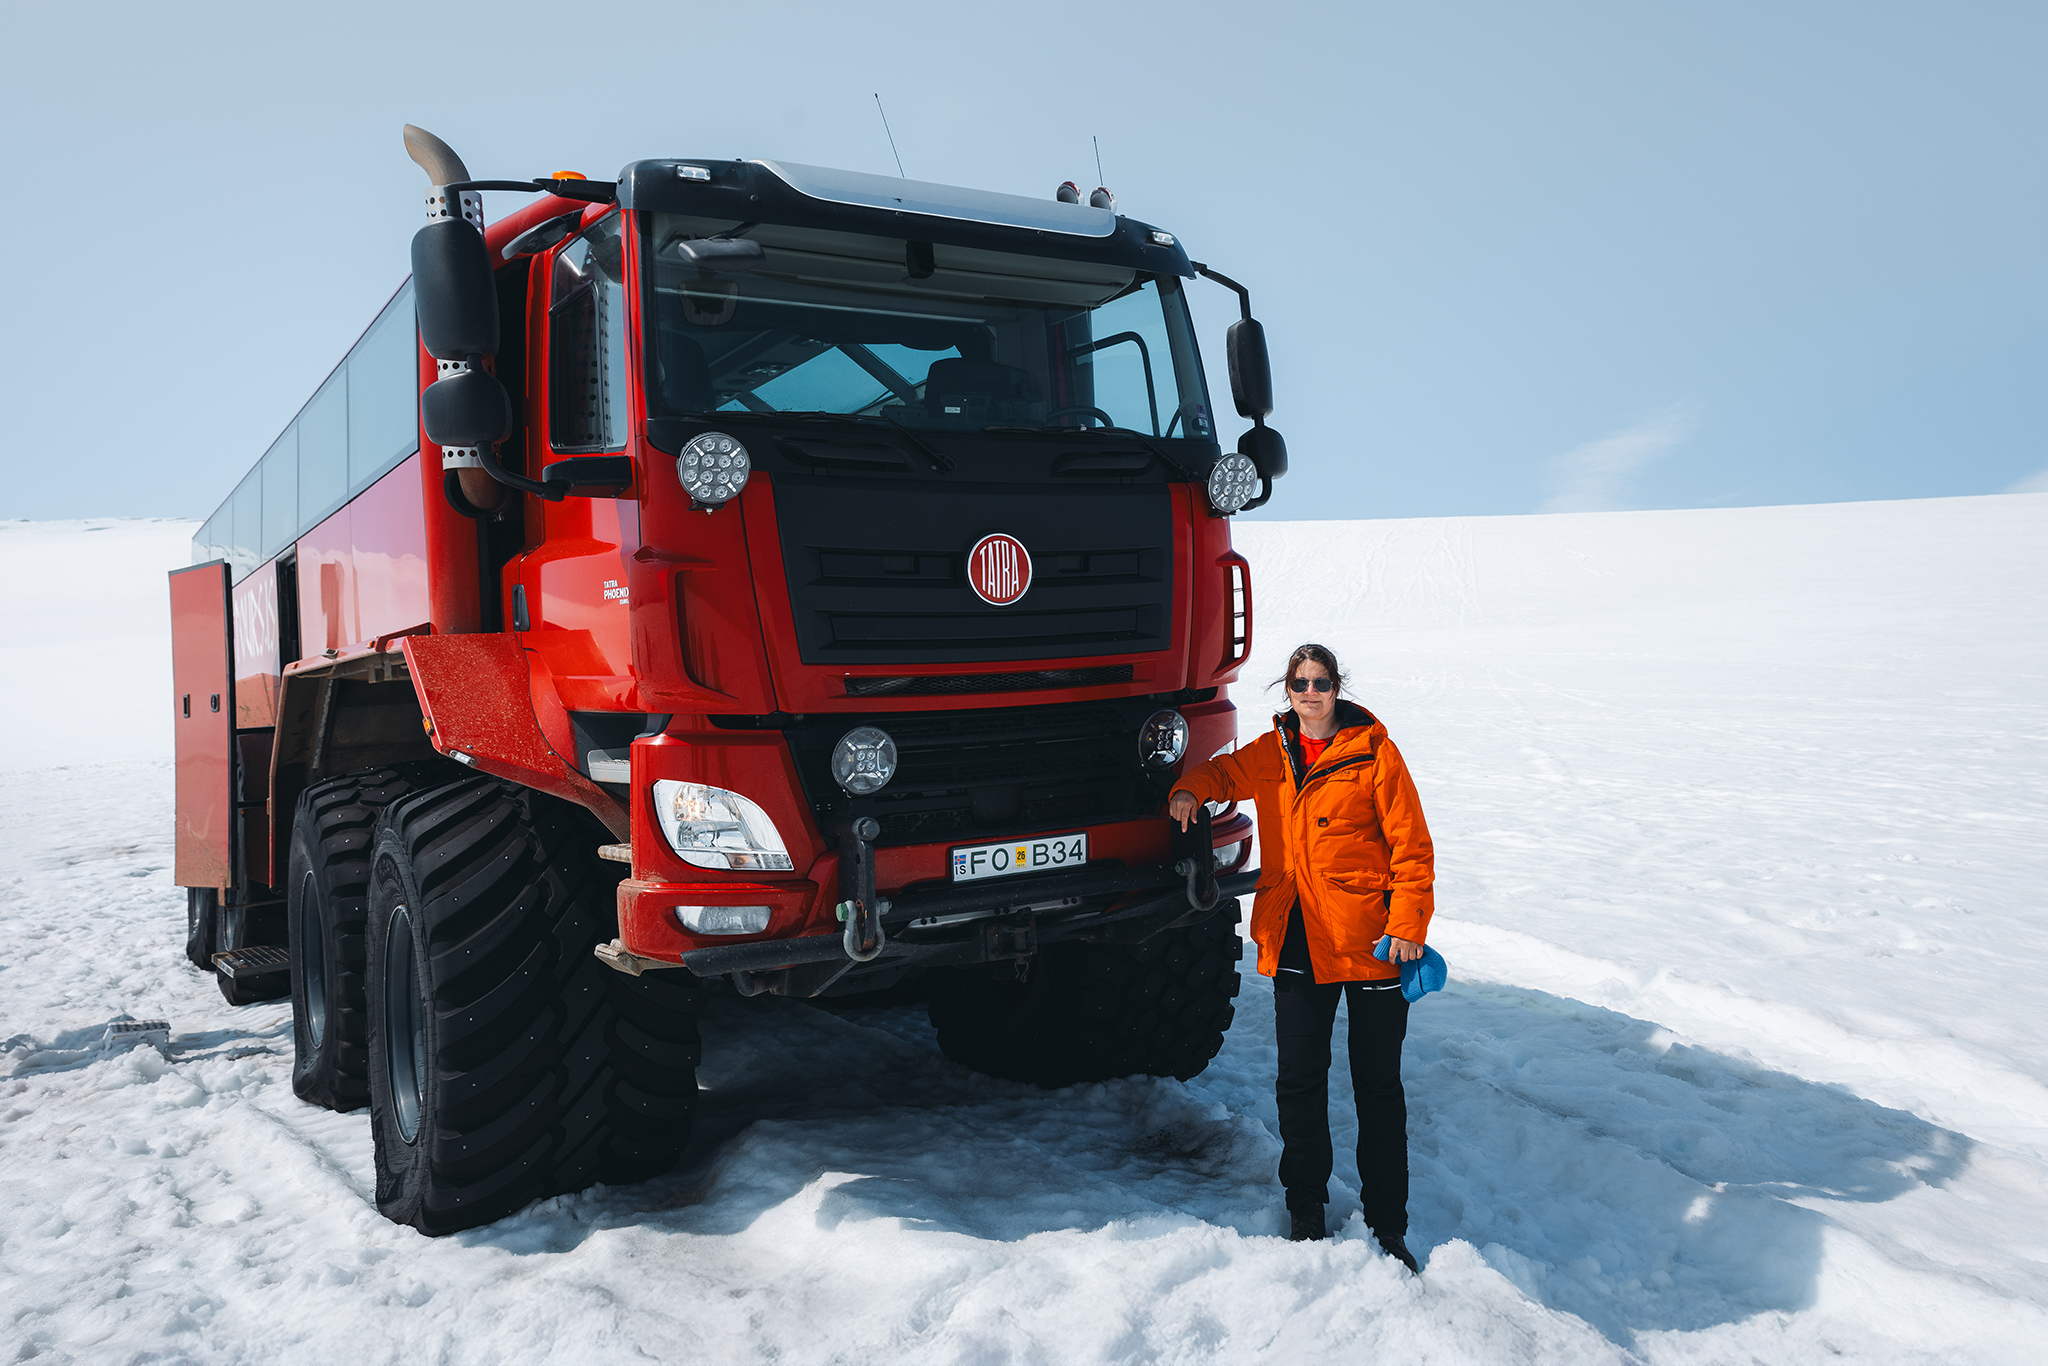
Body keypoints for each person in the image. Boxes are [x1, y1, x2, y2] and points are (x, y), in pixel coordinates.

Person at [1169, 643, 1434, 1271]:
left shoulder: (1374, 753)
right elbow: (1221, 774)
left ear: (1336, 687)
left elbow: (1412, 848)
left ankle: (1387, 1225)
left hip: (1370, 943)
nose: (1309, 692)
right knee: (1299, 1083)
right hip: (1294, 937)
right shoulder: (1271, 753)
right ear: (1285, 689)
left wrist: (1407, 926)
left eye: (1319, 682)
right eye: (1298, 683)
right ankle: (1306, 1212)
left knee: (1377, 1089)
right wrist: (1188, 789)